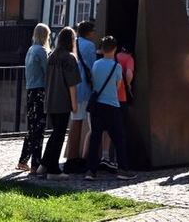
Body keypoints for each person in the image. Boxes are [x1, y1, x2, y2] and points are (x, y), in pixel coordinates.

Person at [83, 35, 136, 181]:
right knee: (119, 139)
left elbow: (94, 82)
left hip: (97, 106)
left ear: (102, 49)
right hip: (112, 105)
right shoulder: (116, 66)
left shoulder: (96, 64)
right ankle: (123, 169)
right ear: (115, 49)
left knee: (95, 138)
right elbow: (118, 86)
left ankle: (90, 171)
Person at [40, 26, 80, 178]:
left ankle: (44, 164)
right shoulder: (70, 58)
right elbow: (72, 84)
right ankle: (53, 169)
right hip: (62, 100)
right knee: (59, 135)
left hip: (50, 99)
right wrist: (74, 103)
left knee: (55, 133)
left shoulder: (51, 56)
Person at [17, 23, 50, 173]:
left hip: (30, 90)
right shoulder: (42, 51)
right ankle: (36, 164)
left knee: (31, 127)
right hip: (40, 91)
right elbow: (47, 71)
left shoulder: (30, 50)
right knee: (39, 128)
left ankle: (23, 160)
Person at [65, 19, 97, 171]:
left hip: (72, 86)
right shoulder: (89, 46)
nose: (95, 34)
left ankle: (73, 157)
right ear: (88, 33)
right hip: (84, 88)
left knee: (75, 122)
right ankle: (74, 159)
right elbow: (92, 67)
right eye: (93, 31)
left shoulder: (74, 42)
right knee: (78, 123)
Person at [99, 41, 135, 171]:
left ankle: (105, 156)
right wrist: (128, 84)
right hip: (121, 97)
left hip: (107, 97)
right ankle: (118, 160)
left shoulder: (115, 57)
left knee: (107, 128)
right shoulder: (129, 59)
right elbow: (129, 73)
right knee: (119, 129)